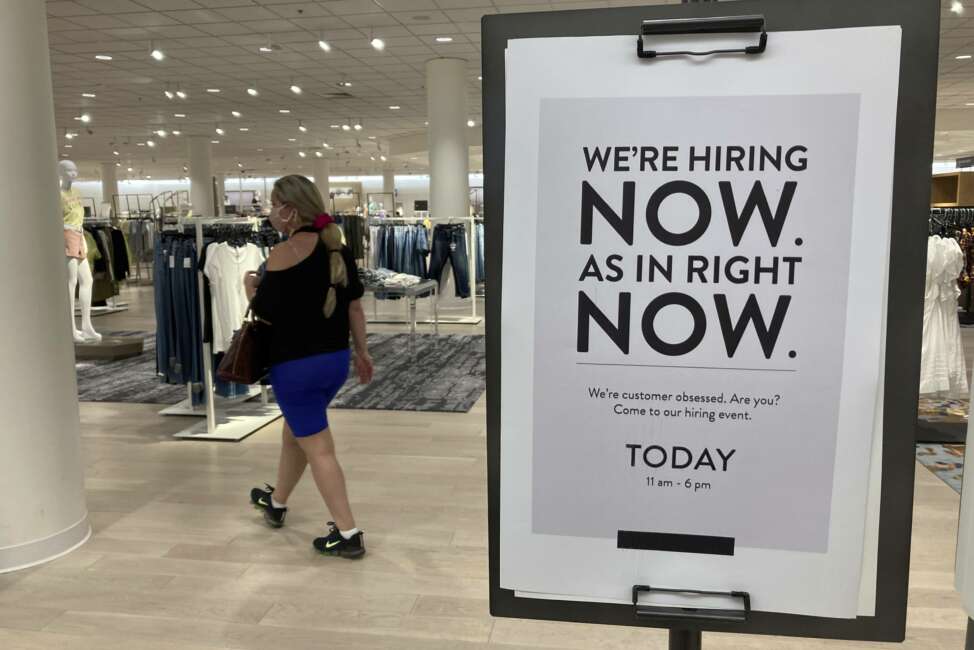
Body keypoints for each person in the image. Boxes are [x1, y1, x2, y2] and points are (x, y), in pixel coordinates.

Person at [244, 174, 373, 559]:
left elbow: (263, 312)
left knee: (319, 449)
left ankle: (348, 533)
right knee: (295, 434)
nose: (270, 212)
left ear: (290, 209)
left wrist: (250, 286)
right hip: (333, 363)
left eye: (273, 204)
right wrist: (363, 353)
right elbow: (354, 307)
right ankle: (277, 503)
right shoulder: (338, 251)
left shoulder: (281, 256)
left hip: (295, 368)